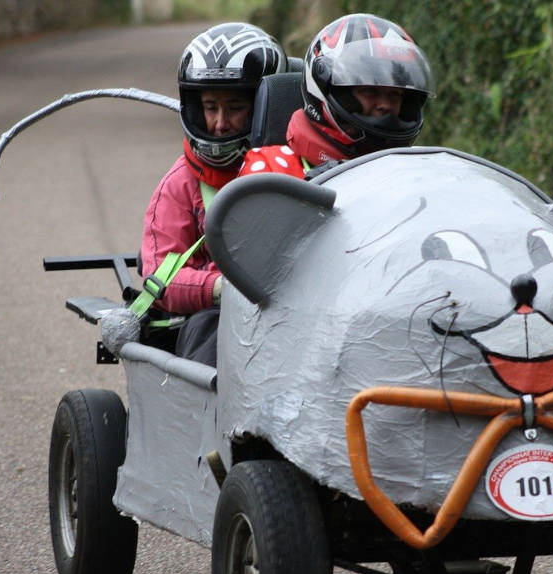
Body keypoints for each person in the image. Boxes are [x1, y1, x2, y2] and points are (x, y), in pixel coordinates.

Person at [139, 23, 286, 365]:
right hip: (212, 319)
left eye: (235, 107)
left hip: (290, 313)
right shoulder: (180, 185)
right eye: (209, 107)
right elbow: (161, 277)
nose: (219, 123)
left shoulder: (296, 170)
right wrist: (224, 290)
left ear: (264, 104)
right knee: (213, 328)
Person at [240, 13, 435, 179]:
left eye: (394, 94)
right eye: (370, 91)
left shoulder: (414, 175)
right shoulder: (270, 169)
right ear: (326, 88)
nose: (385, 104)